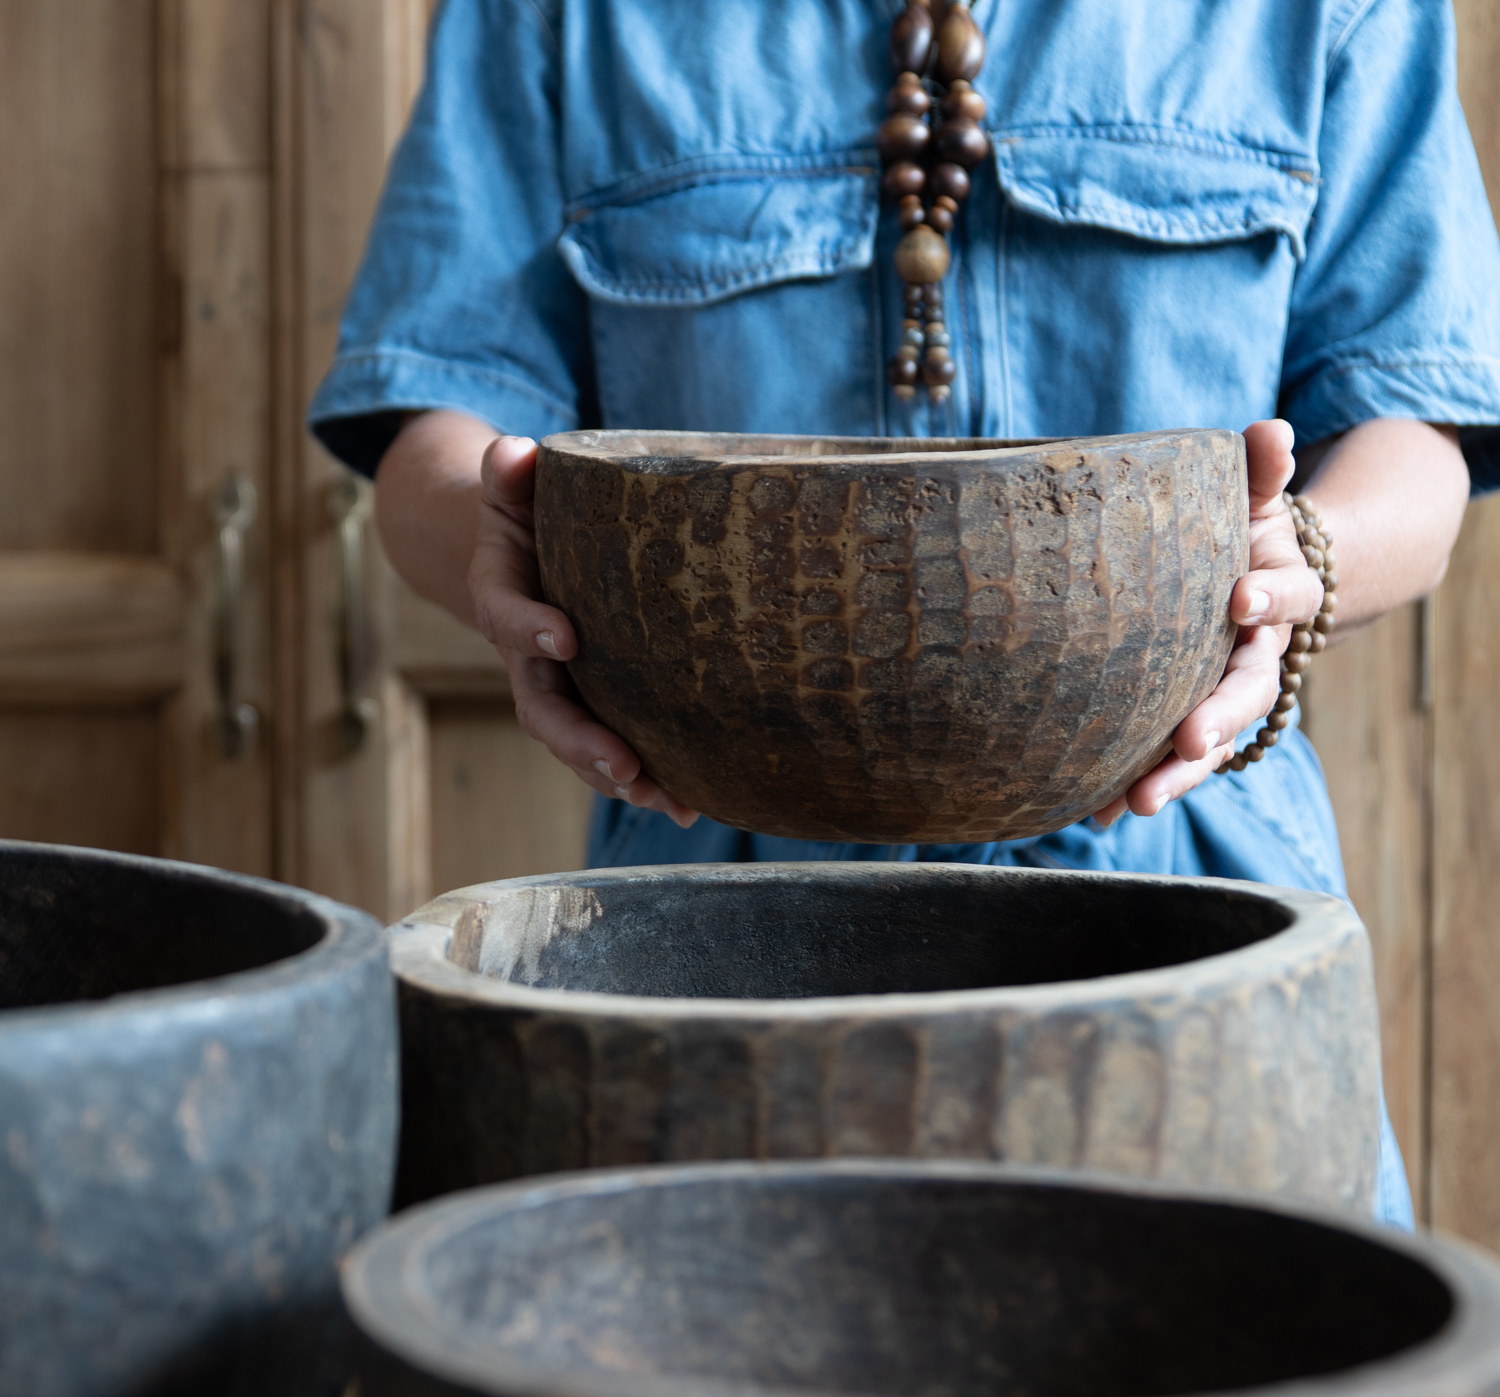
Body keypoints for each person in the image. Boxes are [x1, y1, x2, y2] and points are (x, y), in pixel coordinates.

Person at [309, 0, 1500, 1230]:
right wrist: (497, 536)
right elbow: (437, 410)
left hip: (1192, 867)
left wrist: (1304, 552)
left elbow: (1415, 430)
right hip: (705, 911)